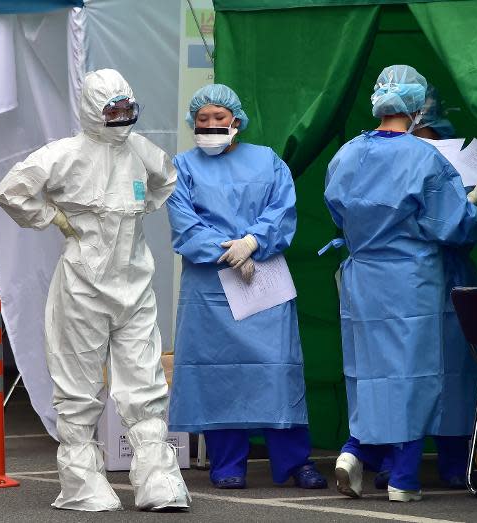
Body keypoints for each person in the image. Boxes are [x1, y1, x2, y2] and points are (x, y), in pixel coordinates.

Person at [0, 69, 190, 512]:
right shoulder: (64, 155)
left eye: (127, 109)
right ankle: (82, 480)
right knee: (78, 384)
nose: (121, 118)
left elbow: (166, 180)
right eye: (112, 110)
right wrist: (56, 218)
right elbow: (11, 191)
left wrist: (138, 209)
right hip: (82, 284)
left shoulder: (141, 150)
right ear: (91, 110)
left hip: (134, 282)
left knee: (145, 381)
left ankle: (158, 478)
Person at [322, 65, 477, 502]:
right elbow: (452, 227)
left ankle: (354, 450)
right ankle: (404, 479)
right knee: (416, 376)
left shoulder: (345, 156)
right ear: (417, 108)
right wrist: (474, 201)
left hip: (363, 280)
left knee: (369, 374)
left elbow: (341, 215)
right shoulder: (425, 158)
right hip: (411, 280)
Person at [166, 84, 327, 491]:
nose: (211, 125)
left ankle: (295, 461)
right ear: (193, 123)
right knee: (219, 374)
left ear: (236, 120)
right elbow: (184, 221)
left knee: (277, 370)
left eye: (219, 118)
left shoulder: (267, 161)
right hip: (210, 287)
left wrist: (253, 242)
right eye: (203, 120)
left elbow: (282, 208)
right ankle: (227, 463)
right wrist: (229, 251)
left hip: (263, 281)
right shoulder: (183, 166)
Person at [371, 85, 477, 491]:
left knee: (455, 372)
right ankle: (395, 459)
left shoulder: (459, 166)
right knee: (400, 371)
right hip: (403, 280)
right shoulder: (383, 160)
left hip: (453, 280)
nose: (421, 144)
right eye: (416, 133)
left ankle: (455, 461)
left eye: (429, 136)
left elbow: (467, 229)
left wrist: (473, 205)